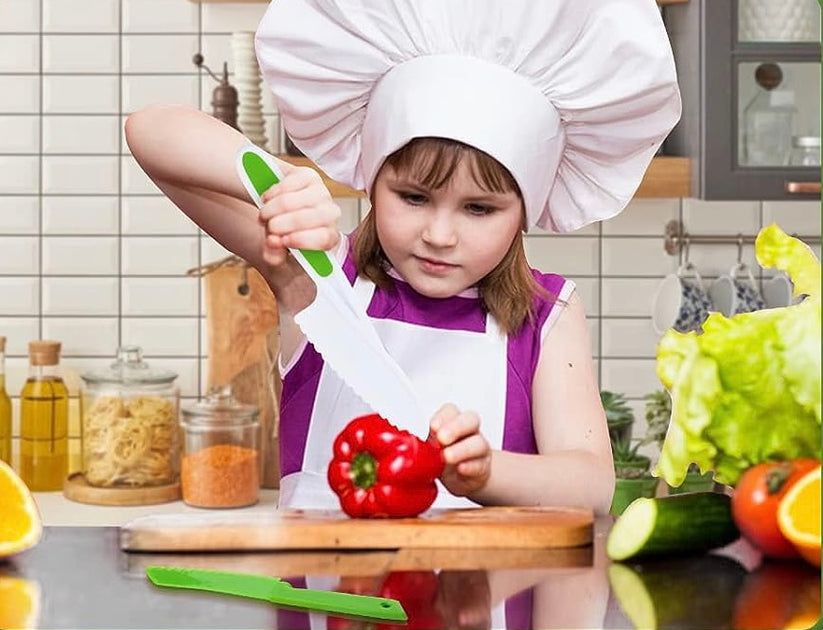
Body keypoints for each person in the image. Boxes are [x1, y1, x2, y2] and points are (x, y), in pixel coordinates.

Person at [125, 0, 680, 516]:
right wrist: (282, 178)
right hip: (325, 611)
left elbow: (592, 485)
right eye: (413, 197)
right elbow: (149, 133)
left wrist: (486, 473)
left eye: (479, 209)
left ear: (524, 212)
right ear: (372, 182)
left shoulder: (548, 313)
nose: (439, 234)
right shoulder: (317, 277)